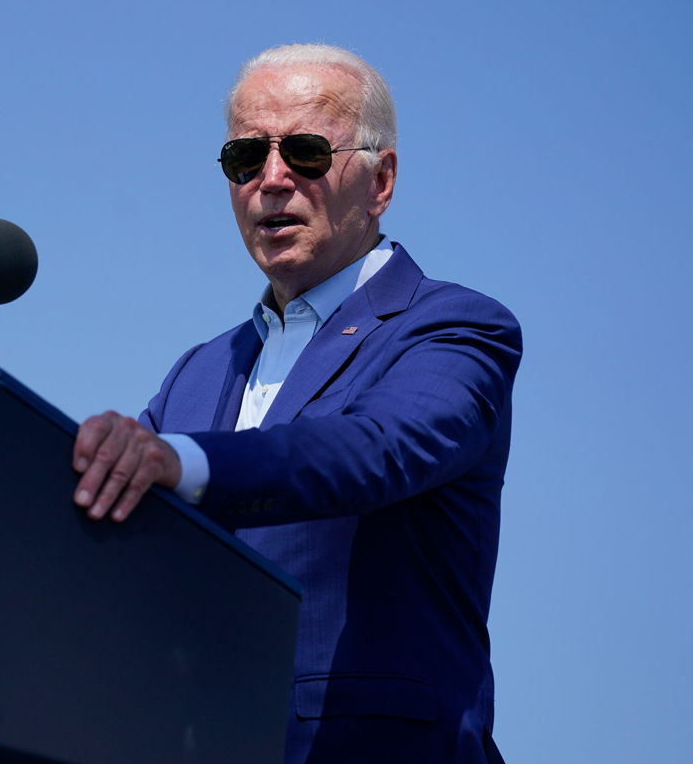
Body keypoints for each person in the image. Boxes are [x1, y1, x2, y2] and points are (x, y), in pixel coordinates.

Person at [72, 44, 521, 763]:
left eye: (307, 152)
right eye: (245, 158)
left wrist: (177, 460)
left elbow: (376, 449)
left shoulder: (455, 328)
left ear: (382, 181)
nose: (272, 180)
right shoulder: (198, 370)